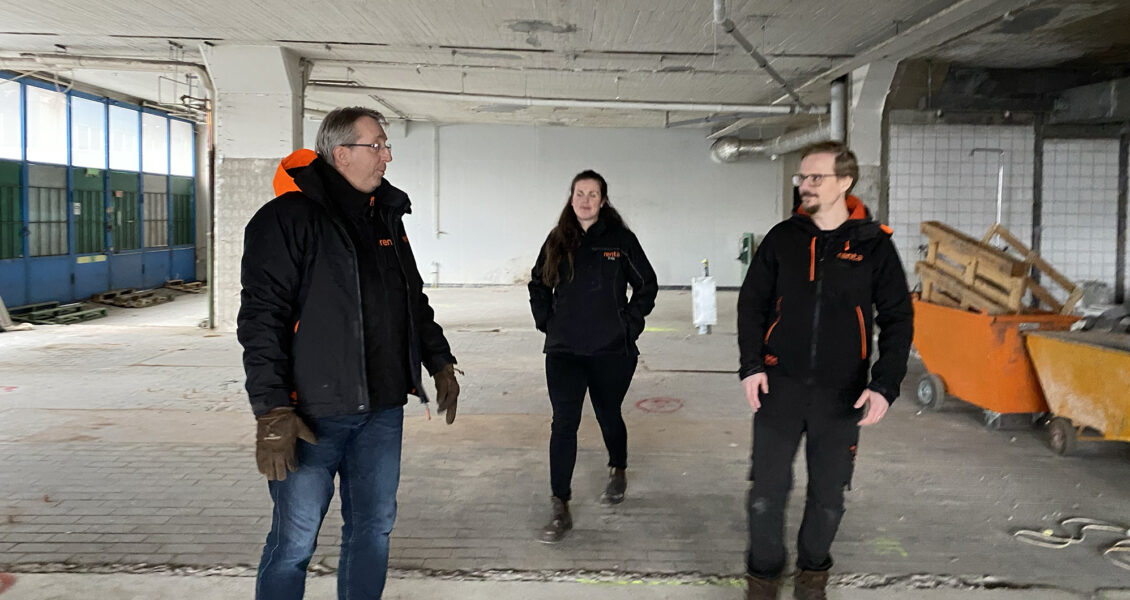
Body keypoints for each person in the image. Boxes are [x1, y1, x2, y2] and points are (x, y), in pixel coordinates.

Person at [237, 106, 460, 600]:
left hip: (382, 410)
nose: (387, 156)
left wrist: (439, 359)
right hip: (311, 415)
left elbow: (411, 298)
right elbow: (261, 321)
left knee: (373, 530)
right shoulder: (285, 220)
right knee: (294, 541)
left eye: (385, 145)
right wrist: (272, 409)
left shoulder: (385, 215)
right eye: (376, 145)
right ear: (341, 154)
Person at [737, 141, 913, 599]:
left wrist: (884, 385)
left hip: (842, 394)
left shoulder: (874, 244)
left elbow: (898, 317)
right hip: (779, 387)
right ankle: (763, 579)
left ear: (845, 182)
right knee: (765, 494)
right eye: (803, 177)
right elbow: (751, 304)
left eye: (816, 177)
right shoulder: (783, 238)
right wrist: (751, 365)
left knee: (829, 498)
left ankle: (812, 580)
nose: (805, 185)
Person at [528, 170, 658, 543]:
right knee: (563, 424)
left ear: (603, 200)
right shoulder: (557, 239)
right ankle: (560, 505)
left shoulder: (621, 240)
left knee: (607, 413)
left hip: (610, 350)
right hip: (564, 351)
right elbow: (538, 283)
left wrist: (629, 325)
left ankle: (618, 468)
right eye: (579, 193)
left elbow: (646, 285)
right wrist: (547, 321)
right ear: (571, 198)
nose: (585, 200)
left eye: (593, 194)